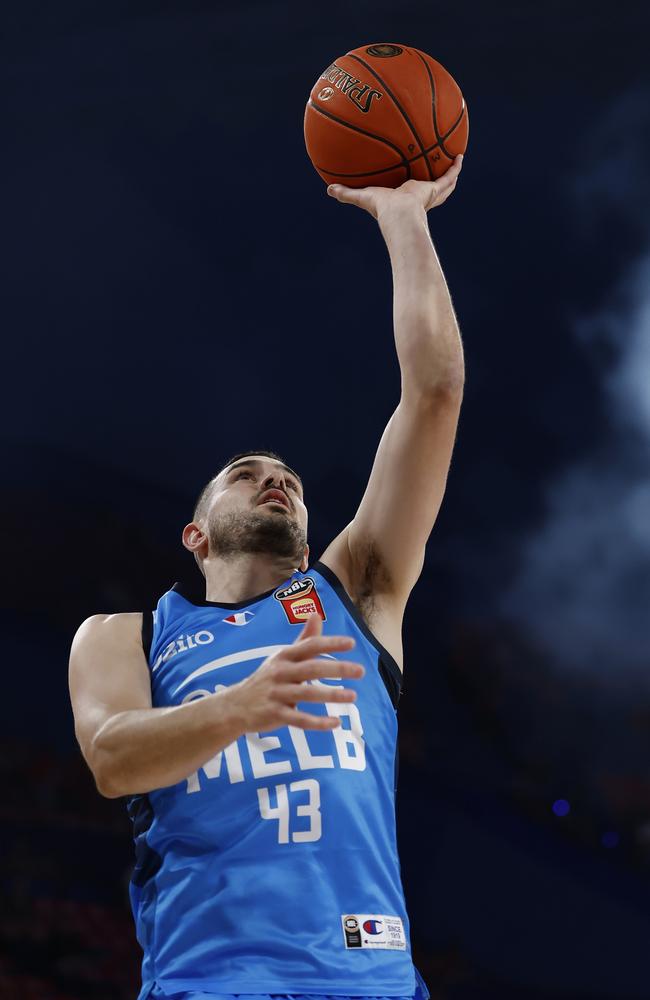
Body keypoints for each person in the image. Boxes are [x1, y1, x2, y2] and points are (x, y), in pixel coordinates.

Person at [69, 155, 465, 1000]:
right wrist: (243, 705)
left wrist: (403, 215)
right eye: (247, 473)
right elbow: (111, 760)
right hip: (211, 980)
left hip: (373, 978)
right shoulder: (126, 636)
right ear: (196, 533)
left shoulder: (356, 587)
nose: (274, 478)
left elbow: (434, 392)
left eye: (286, 476)